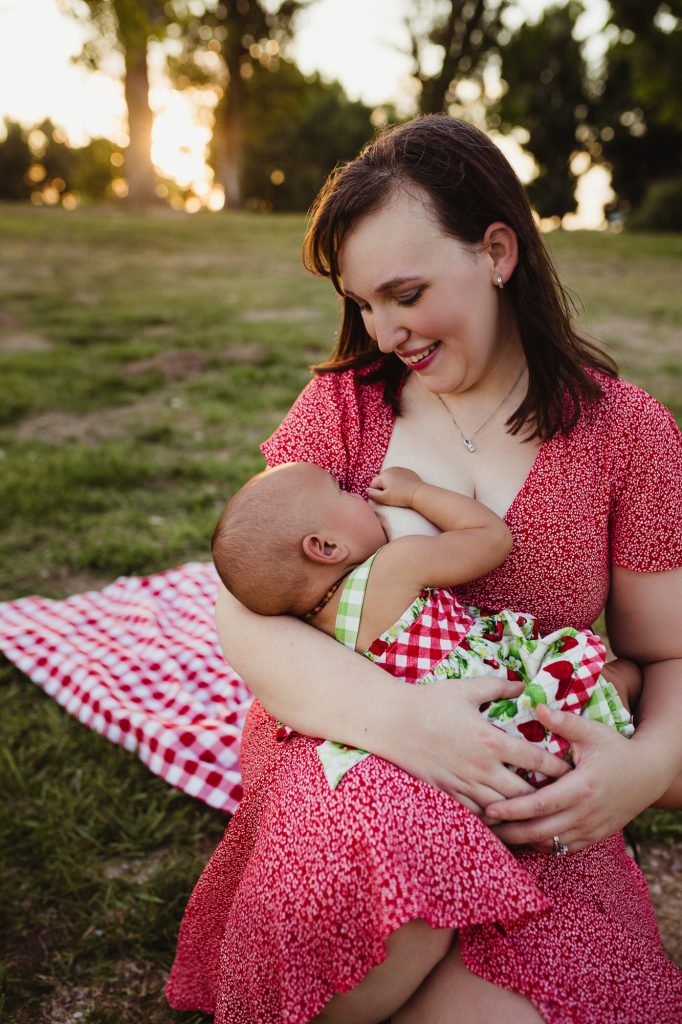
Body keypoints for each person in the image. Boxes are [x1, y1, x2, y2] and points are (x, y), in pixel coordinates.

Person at [167, 116, 682, 1024]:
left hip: (530, 795)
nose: (385, 328)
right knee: (371, 923)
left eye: (404, 292)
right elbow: (243, 612)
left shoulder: (628, 435)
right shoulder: (345, 407)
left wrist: (643, 771)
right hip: (351, 746)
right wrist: (408, 723)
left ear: (496, 251)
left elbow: (668, 656)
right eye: (364, 302)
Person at [209, 460, 636, 790]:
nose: (358, 493)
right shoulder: (396, 565)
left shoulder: (312, 629)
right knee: (625, 676)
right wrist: (416, 493)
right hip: (520, 702)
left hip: (463, 758)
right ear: (326, 547)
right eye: (341, 492)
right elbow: (490, 537)